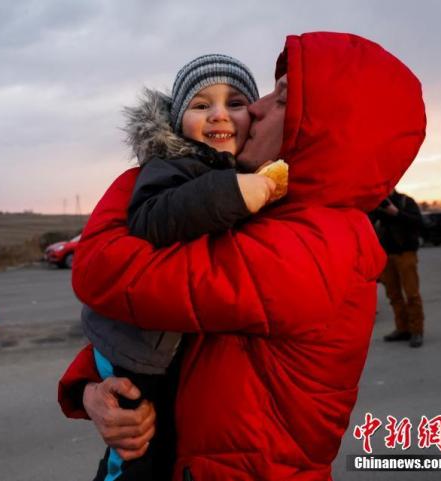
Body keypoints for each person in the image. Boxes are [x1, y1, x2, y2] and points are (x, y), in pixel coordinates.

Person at [59, 32, 426, 480]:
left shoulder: (316, 245)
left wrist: (135, 181)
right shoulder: (268, 211)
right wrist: (94, 388)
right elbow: (181, 334)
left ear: (323, 126)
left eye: (281, 99)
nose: (254, 108)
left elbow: (107, 273)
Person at [81, 54, 280, 481]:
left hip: (189, 370)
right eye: (201, 104)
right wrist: (229, 194)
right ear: (176, 119)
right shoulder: (169, 169)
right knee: (140, 448)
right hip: (143, 355)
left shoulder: (261, 178)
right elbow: (146, 224)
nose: (219, 115)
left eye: (236, 102)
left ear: (257, 115)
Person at [372, 189, 426, 348]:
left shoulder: (405, 201)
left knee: (411, 294)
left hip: (405, 253)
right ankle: (402, 329)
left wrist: (395, 212)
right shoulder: (376, 204)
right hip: (386, 255)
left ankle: (416, 331)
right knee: (393, 294)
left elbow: (418, 222)